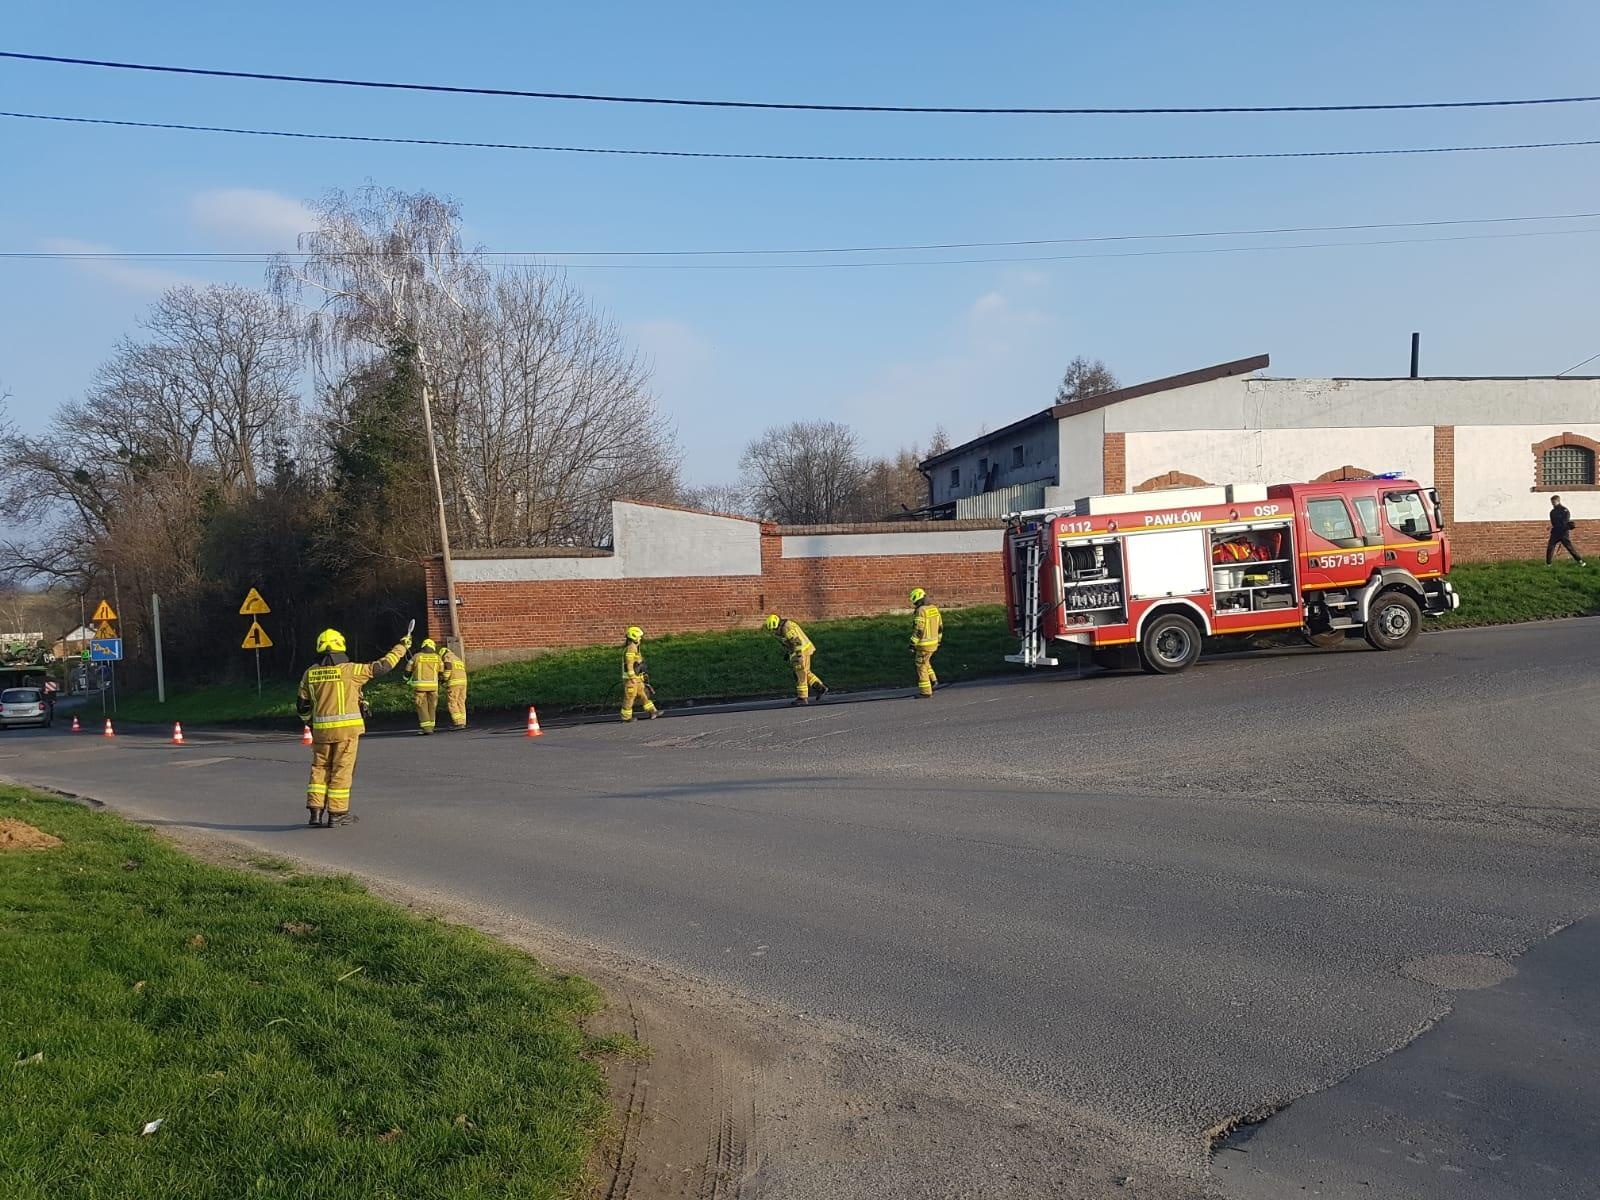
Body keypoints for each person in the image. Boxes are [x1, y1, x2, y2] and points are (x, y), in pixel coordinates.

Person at [297, 627, 409, 827]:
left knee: (319, 768)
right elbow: (383, 666)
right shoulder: (351, 670)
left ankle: (315, 812)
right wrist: (401, 647)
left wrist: (310, 724)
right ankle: (337, 814)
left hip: (321, 732)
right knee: (341, 769)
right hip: (347, 732)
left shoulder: (310, 674)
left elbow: (302, 706)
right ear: (341, 646)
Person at [766, 614, 827, 706]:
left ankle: (802, 698)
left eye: (775, 629)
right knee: (805, 672)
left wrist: (798, 656)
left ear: (777, 625)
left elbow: (796, 642)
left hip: (801, 651)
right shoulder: (786, 625)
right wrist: (788, 653)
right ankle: (820, 688)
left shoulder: (786, 628)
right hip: (803, 650)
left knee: (800, 674)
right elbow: (790, 643)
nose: (775, 632)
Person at [908, 587, 943, 699]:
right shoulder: (934, 608)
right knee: (926, 661)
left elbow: (919, 629)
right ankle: (933, 681)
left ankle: (926, 691)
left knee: (921, 665)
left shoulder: (921, 610)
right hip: (934, 643)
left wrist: (912, 643)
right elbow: (940, 627)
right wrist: (938, 641)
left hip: (924, 644)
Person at [404, 637, 443, 734]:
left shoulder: (416, 656)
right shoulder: (437, 657)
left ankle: (427, 729)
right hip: (433, 686)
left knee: (422, 707)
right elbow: (441, 671)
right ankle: (431, 727)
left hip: (420, 687)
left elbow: (408, 670)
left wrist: (406, 679)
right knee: (432, 706)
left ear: (423, 646)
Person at [620, 626, 659, 721]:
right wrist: (632, 677)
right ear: (634, 637)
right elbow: (629, 664)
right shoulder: (631, 648)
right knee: (630, 697)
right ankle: (626, 717)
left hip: (638, 678)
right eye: (639, 637)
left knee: (643, 694)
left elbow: (638, 663)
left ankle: (653, 711)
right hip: (631, 680)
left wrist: (642, 675)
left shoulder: (635, 648)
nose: (640, 638)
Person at [1547, 495, 1587, 566]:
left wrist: (1558, 527)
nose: (1552, 503)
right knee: (1550, 547)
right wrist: (1551, 527)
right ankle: (1548, 564)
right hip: (1555, 532)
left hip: (1563, 533)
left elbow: (1565, 522)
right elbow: (1553, 522)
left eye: (1554, 502)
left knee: (1569, 548)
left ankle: (1580, 561)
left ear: (1558, 501)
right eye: (1552, 502)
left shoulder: (1564, 510)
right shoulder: (1552, 512)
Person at [440, 645, 469, 730]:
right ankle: (463, 721)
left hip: (454, 683)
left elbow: (448, 668)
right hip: (463, 682)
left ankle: (458, 723)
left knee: (452, 702)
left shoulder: (447, 657)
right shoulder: (457, 659)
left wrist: (444, 679)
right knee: (461, 701)